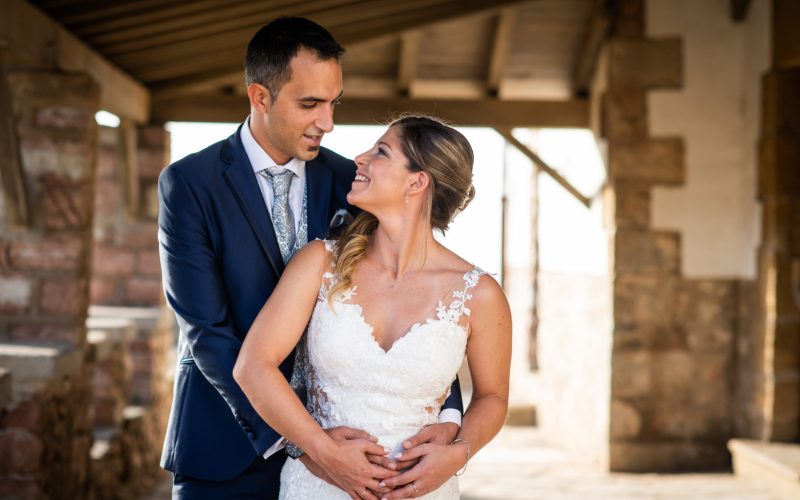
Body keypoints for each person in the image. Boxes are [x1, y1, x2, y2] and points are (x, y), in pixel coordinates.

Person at [157, 17, 464, 498]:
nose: (328, 121)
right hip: (229, 443)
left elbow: (413, 290)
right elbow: (207, 332)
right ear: (260, 97)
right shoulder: (190, 184)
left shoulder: (352, 182)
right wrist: (305, 444)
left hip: (350, 444)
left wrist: (446, 413)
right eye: (310, 104)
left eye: (332, 102)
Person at [234, 115, 512, 499]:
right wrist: (322, 449)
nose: (360, 158)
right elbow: (252, 367)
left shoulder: (479, 293)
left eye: (381, 152)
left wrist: (459, 453)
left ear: (417, 182)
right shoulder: (319, 263)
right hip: (316, 487)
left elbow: (492, 398)